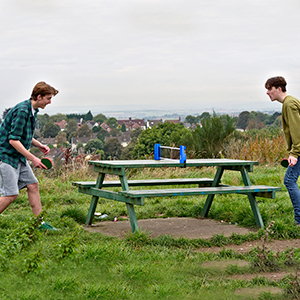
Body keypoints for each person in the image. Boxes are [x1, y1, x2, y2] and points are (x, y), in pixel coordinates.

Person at [0, 81, 59, 230]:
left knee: (33, 185)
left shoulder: (32, 110)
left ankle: (39, 223)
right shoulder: (22, 111)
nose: (50, 101)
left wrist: (38, 144)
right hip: (6, 156)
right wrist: (33, 158)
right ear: (39, 97)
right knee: (10, 195)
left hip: (18, 156)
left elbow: (22, 136)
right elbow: (13, 140)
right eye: (48, 98)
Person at [265, 76, 300, 225]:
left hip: (299, 150)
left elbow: (297, 129)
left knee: (289, 180)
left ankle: (299, 219)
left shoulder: (289, 104)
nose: (267, 92)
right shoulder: (289, 102)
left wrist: (294, 153)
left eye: (269, 89)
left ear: (279, 89)